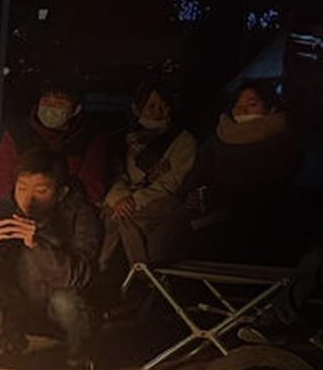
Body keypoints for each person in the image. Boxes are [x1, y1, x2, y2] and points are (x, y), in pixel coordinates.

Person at [0, 146, 101, 370]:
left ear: (61, 193)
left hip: (55, 309)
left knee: (67, 303)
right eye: (22, 189)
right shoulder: (5, 211)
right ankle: (4, 346)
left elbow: (78, 278)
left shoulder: (80, 215)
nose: (28, 199)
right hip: (15, 305)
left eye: (41, 190)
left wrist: (37, 245)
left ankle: (78, 358)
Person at [180, 80, 304, 260]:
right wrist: (192, 195)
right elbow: (196, 176)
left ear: (272, 109)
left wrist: (214, 197)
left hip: (261, 224)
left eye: (252, 104)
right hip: (207, 217)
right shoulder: (218, 140)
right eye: (237, 105)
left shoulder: (282, 142)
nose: (242, 110)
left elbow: (271, 188)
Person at [99, 80, 196, 272]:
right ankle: (107, 270)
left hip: (158, 202)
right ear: (137, 108)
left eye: (163, 105)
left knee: (127, 217)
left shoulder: (182, 140)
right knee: (112, 215)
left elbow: (173, 180)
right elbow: (117, 174)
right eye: (151, 105)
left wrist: (134, 201)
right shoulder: (123, 138)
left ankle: (141, 274)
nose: (157, 111)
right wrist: (119, 198)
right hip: (123, 199)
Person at [0, 80, 109, 205]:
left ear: (76, 110)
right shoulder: (17, 133)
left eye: (60, 103)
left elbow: (91, 185)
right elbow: (3, 178)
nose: (51, 109)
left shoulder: (88, 137)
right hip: (21, 206)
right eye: (46, 102)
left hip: (70, 210)